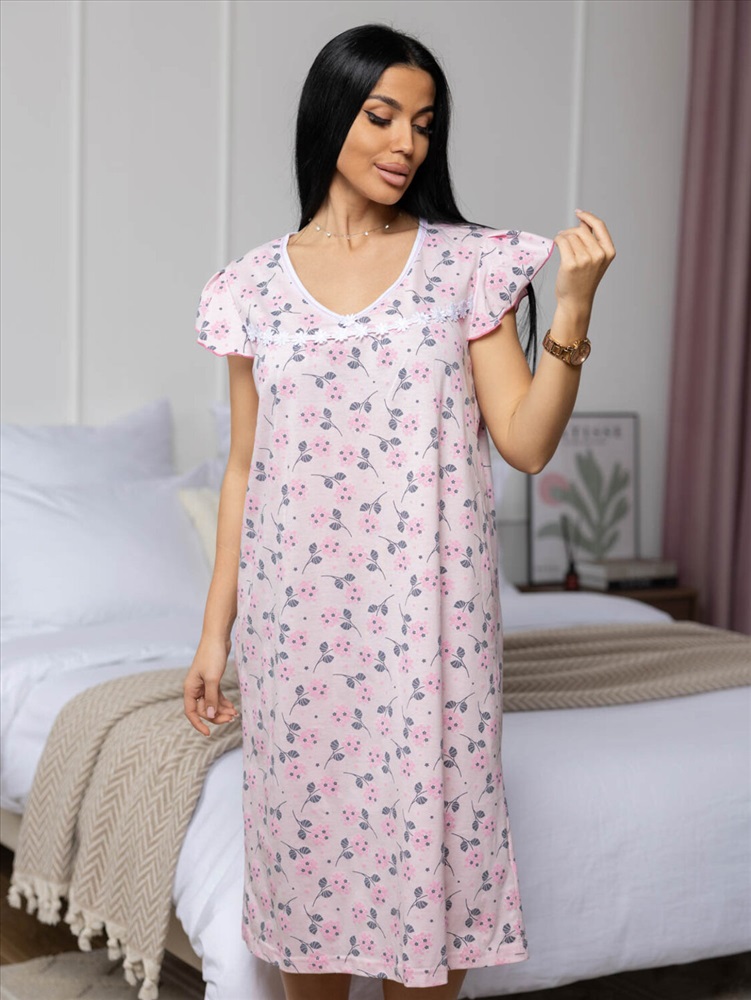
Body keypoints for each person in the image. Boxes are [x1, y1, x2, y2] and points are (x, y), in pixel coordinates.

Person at [183, 22, 614, 1000]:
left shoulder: (464, 268)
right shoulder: (250, 288)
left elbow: (525, 442)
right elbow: (244, 469)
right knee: (310, 902)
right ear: (330, 114)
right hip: (297, 641)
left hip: (430, 632)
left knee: (430, 893)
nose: (405, 143)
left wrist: (573, 313)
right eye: (382, 116)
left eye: (422, 124)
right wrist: (214, 635)